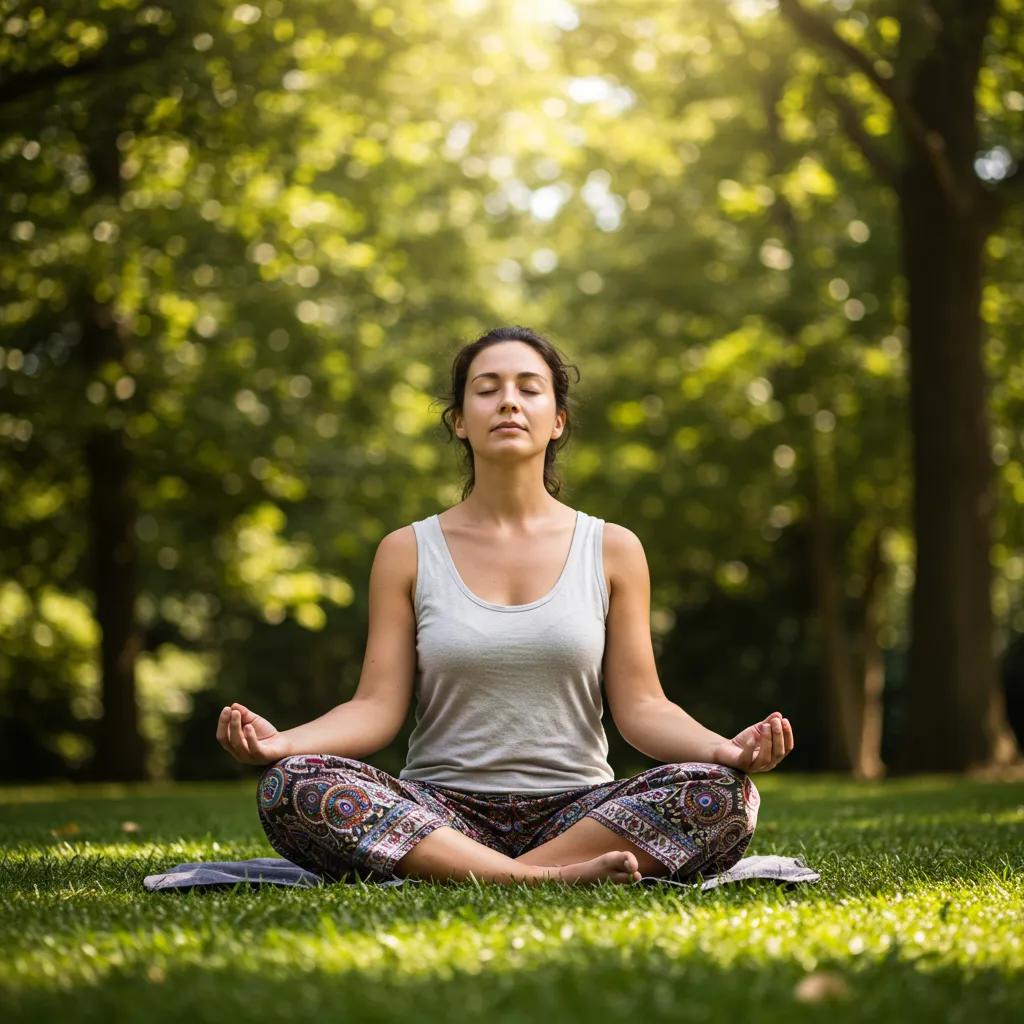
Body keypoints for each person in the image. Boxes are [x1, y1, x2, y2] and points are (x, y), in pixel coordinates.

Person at [216, 326, 794, 887]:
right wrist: (283, 744)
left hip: (579, 814)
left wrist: (725, 749)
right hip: (438, 814)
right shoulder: (407, 551)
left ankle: (494, 873)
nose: (508, 403)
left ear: (557, 420)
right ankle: (540, 879)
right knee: (288, 784)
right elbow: (375, 708)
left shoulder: (613, 548)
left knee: (726, 792)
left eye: (529, 388)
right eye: (487, 389)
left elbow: (642, 706)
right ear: (460, 422)